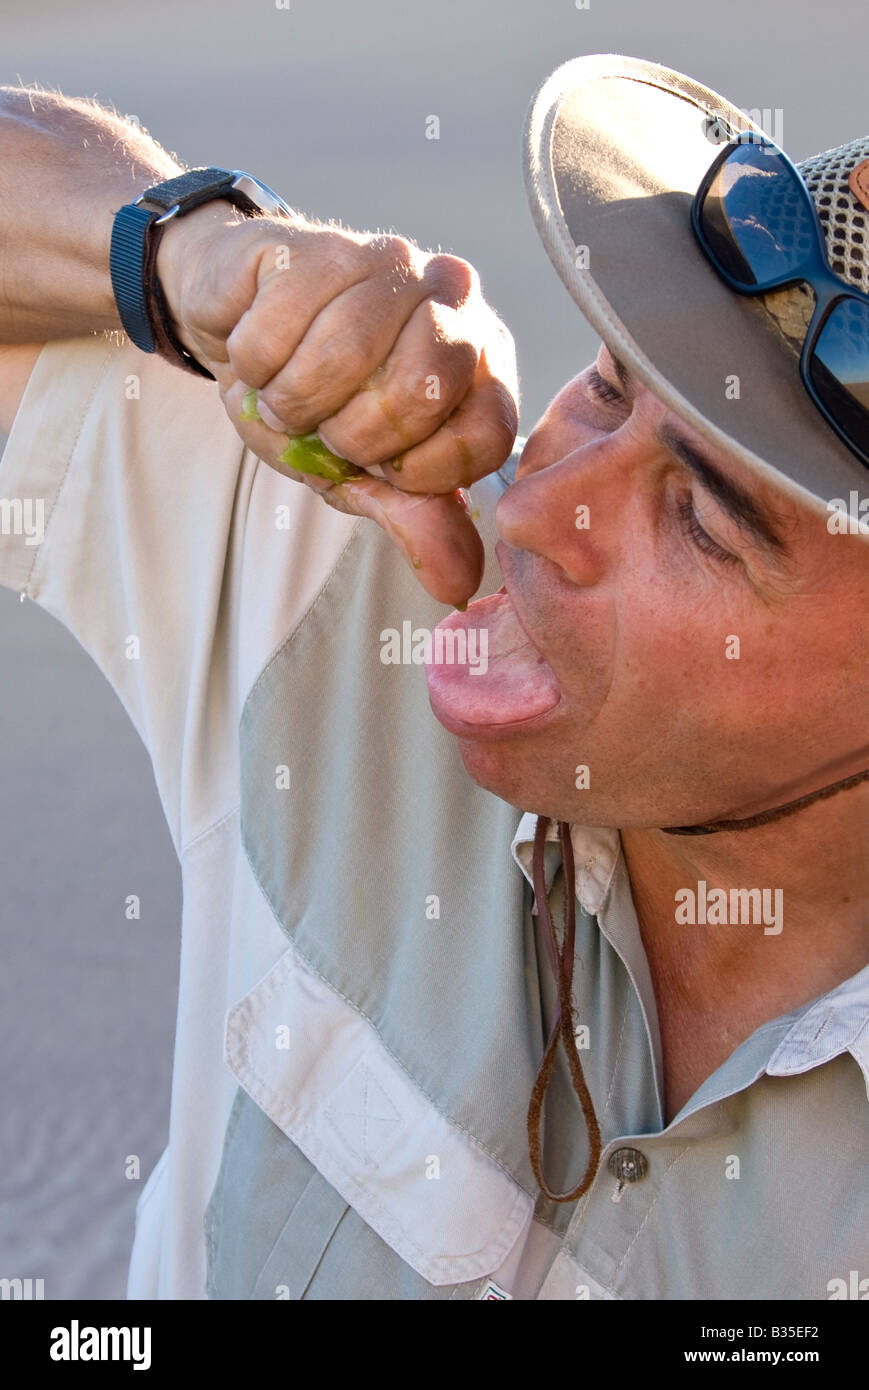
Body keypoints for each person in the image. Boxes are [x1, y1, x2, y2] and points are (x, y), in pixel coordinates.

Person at [0, 52, 866, 1301]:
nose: (533, 510)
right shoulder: (375, 563)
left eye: (698, 524)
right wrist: (184, 256)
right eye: (610, 388)